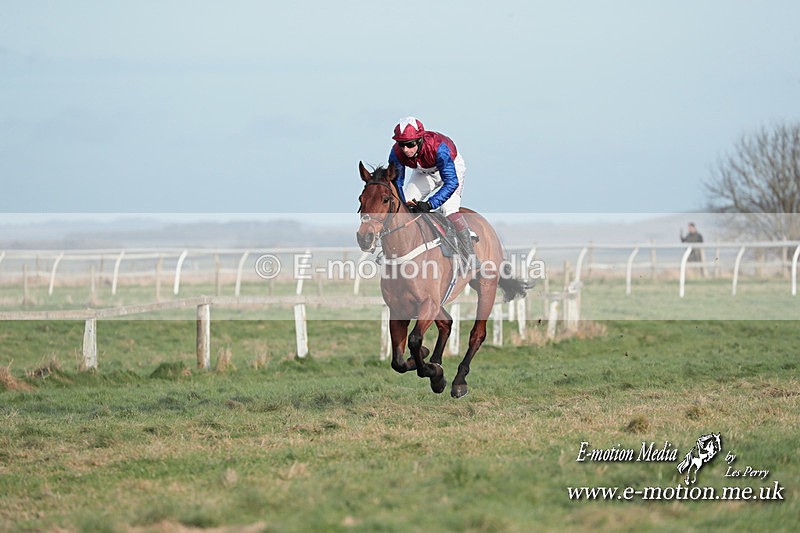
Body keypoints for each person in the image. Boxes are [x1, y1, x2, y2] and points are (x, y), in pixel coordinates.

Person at [387, 116, 475, 259]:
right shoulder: (396, 153)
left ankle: (470, 254)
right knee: (403, 208)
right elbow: (397, 182)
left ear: (420, 139)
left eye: (409, 144)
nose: (405, 149)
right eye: (401, 144)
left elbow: (451, 182)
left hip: (450, 170)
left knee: (448, 209)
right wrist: (405, 203)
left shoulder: (439, 148)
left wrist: (429, 204)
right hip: (423, 172)